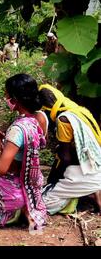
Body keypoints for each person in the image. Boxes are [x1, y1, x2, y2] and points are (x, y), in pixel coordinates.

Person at [0, 74, 48, 231]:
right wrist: (11, 144)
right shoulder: (41, 118)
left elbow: (1, 168)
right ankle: (27, 207)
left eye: (6, 94)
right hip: (32, 185)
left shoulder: (17, 130)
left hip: (14, 190)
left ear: (15, 99)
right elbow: (32, 146)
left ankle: (13, 211)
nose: (5, 97)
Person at [39, 84, 101, 215]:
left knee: (43, 202)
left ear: (46, 110)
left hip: (90, 169)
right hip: (96, 162)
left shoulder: (63, 119)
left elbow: (65, 158)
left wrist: (52, 181)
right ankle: (91, 192)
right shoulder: (76, 109)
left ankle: (91, 191)